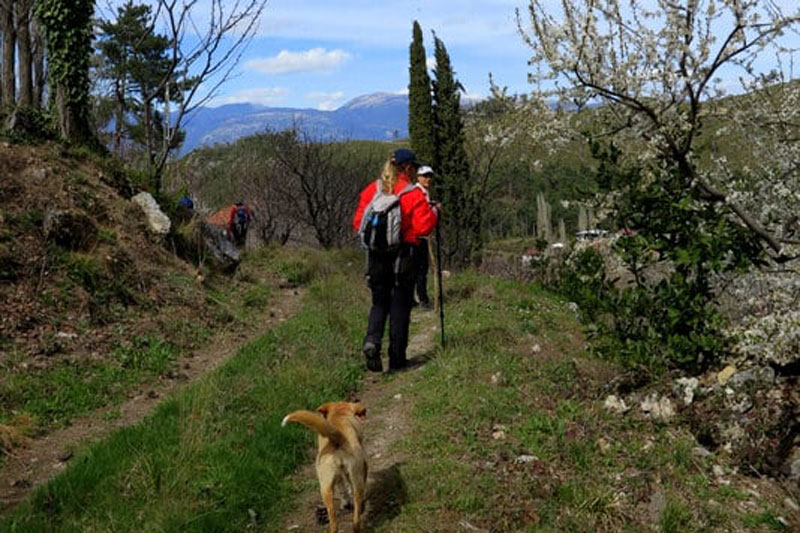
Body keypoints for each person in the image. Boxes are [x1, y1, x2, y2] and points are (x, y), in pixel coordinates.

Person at [352, 149, 438, 372]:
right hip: (403, 257)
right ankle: (397, 358)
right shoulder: (412, 194)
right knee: (400, 306)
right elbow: (424, 227)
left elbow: (357, 222)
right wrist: (435, 213)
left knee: (379, 303)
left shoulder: (373, 189)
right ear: (408, 168)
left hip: (376, 258)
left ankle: (372, 340)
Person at [413, 165, 436, 310]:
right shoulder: (417, 193)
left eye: (430, 176)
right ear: (418, 177)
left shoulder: (424, 192)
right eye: (425, 176)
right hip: (417, 236)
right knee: (420, 269)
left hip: (420, 235)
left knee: (419, 270)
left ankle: (417, 299)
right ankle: (423, 300)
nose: (428, 179)